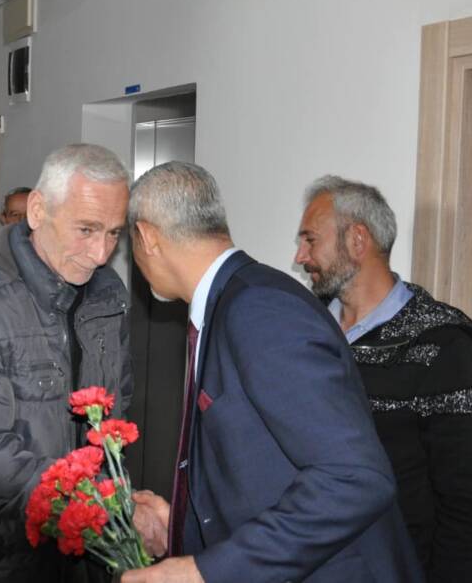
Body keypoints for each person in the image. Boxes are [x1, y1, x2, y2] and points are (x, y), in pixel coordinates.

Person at [123, 162, 420, 583]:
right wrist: (181, 528)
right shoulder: (235, 300)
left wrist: (203, 572)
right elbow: (262, 468)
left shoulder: (258, 308)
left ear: (147, 236)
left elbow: (355, 478)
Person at [0, 143, 134, 582]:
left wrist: (113, 502)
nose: (101, 253)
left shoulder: (107, 294)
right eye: (86, 229)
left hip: (84, 541)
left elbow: (117, 413)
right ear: (37, 211)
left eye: (114, 233)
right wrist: (88, 503)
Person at [295, 175, 472, 581]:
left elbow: (467, 501)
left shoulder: (442, 346)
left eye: (311, 240)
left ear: (357, 240)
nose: (300, 256)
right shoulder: (301, 331)